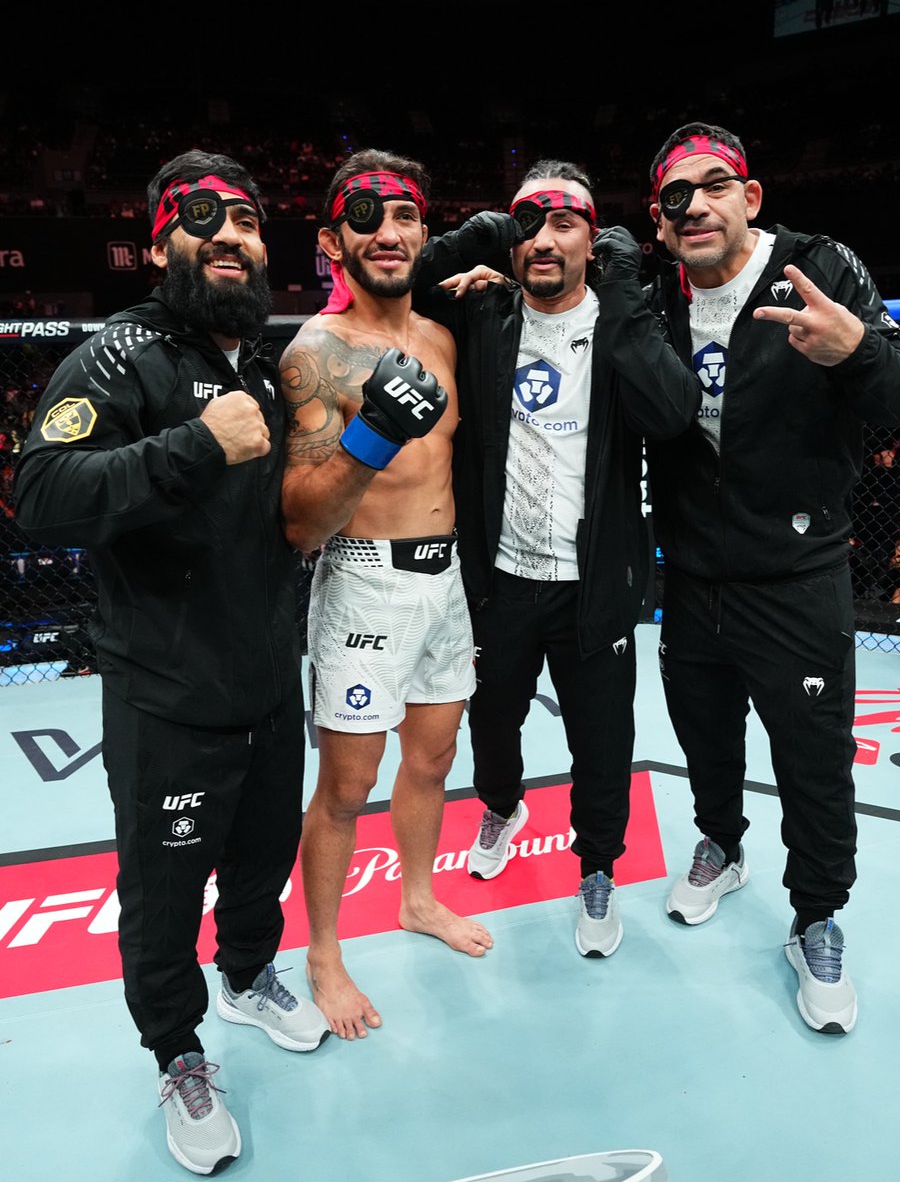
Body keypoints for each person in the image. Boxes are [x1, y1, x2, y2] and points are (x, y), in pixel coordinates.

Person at [13, 150, 328, 1175]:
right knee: (160, 894)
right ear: (160, 244)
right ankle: (177, 1050)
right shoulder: (119, 356)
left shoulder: (268, 363)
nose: (233, 233)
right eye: (203, 217)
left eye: (246, 219)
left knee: (259, 864)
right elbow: (43, 494)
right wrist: (192, 446)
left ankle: (245, 976)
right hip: (166, 696)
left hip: (266, 679)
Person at [641, 123, 900, 1034]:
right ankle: (721, 845)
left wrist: (858, 352)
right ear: (660, 219)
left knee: (812, 759)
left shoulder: (820, 266)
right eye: (676, 197)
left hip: (795, 575)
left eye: (713, 186)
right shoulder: (654, 296)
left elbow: (896, 394)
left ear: (750, 197)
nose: (697, 207)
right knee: (704, 736)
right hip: (689, 575)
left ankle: (817, 917)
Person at [414, 161, 700, 958]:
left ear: (591, 238)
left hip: (594, 587)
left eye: (563, 223)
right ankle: (502, 806)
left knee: (601, 742)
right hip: (501, 581)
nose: (543, 239)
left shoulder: (624, 322)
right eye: (527, 224)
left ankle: (598, 866)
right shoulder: (481, 313)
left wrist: (627, 288)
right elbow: (398, 273)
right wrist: (483, 237)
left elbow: (675, 414)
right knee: (493, 723)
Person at [279, 148, 493, 1043]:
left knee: (435, 760)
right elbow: (299, 520)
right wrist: (372, 429)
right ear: (333, 240)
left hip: (447, 581)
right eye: (365, 217)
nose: (390, 231)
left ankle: (415, 898)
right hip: (365, 580)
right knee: (345, 786)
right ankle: (323, 954)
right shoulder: (319, 352)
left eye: (405, 214)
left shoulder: (442, 335)